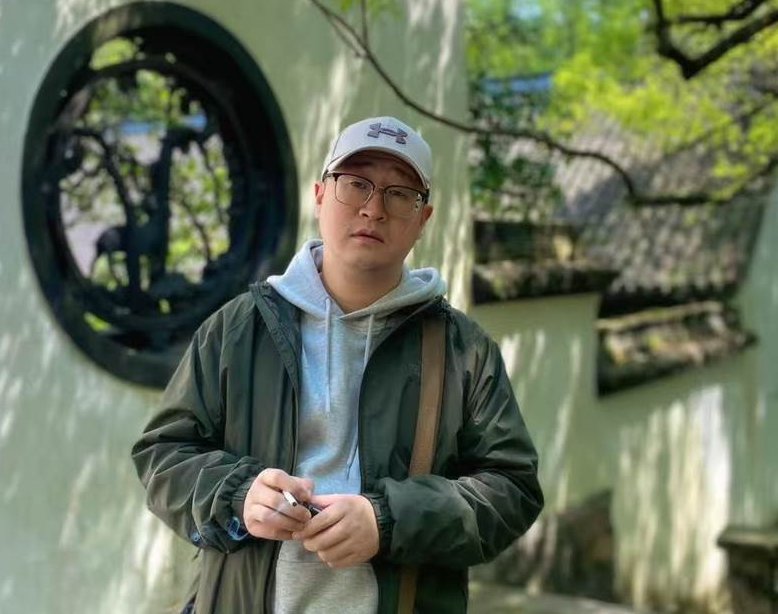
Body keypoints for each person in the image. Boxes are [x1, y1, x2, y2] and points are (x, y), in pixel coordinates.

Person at [132, 115, 543, 614]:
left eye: (399, 194)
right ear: (320, 195)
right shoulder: (239, 329)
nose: (373, 208)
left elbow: (511, 489)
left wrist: (387, 521)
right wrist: (239, 494)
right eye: (356, 183)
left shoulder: (463, 351)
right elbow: (164, 454)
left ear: (423, 219)